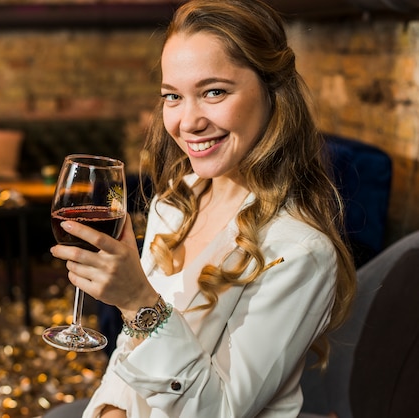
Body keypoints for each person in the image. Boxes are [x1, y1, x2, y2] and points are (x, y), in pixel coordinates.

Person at [48, 0, 356, 416]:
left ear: (272, 91)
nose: (187, 121)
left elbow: (218, 410)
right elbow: (130, 348)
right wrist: (109, 409)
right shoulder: (176, 201)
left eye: (214, 91)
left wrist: (138, 302)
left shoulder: (300, 252)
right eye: (172, 96)